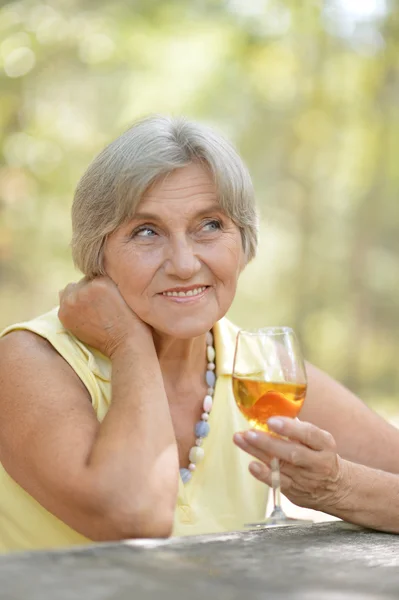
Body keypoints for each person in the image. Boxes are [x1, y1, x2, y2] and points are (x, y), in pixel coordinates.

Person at [0, 115, 398, 555]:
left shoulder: (260, 372)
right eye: (146, 231)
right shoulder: (28, 360)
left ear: (242, 242)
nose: (185, 263)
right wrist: (128, 344)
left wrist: (338, 487)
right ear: (98, 254)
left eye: (210, 225)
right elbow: (132, 516)